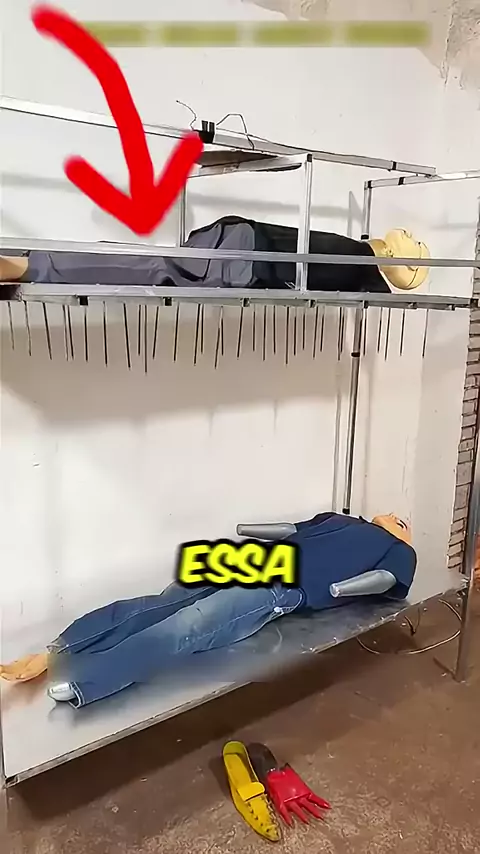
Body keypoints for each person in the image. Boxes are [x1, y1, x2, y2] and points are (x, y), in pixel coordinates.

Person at [0, 512, 416, 708]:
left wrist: (339, 588)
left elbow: (385, 584)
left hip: (282, 586)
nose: (398, 518)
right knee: (158, 603)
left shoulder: (399, 550)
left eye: (403, 522)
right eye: (395, 514)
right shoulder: (339, 518)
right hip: (254, 559)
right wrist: (251, 530)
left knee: (190, 624)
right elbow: (292, 530)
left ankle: (88, 681)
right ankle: (59, 649)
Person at [0, 221, 429, 292]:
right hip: (243, 262)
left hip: (236, 239)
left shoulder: (348, 245)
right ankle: (27, 266)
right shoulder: (360, 267)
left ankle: (30, 263)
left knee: (150, 263)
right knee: (149, 268)